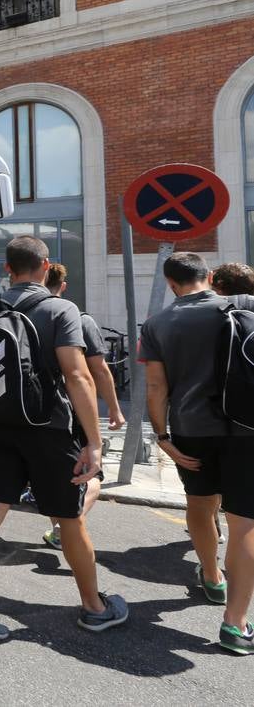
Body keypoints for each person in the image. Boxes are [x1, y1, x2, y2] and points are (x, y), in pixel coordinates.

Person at [0, 235, 126, 642]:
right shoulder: (60, 308)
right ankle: (94, 607)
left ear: (6, 269)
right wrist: (94, 440)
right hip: (49, 429)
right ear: (46, 267)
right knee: (69, 519)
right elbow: (77, 374)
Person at [141, 253, 254, 655]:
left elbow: (156, 388)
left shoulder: (156, 325)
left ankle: (212, 577)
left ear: (171, 284)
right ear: (209, 276)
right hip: (246, 428)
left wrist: (162, 436)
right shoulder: (243, 305)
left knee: (200, 504)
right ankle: (235, 624)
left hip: (190, 429)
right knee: (244, 525)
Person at [38, 262, 125, 550]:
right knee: (90, 473)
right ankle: (66, 526)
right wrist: (113, 408)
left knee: (52, 479)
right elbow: (99, 371)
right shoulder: (77, 318)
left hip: (36, 411)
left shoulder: (26, 313)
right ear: (62, 286)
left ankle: (58, 528)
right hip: (74, 412)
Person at [207, 262, 254, 545]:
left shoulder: (213, 313)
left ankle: (214, 532)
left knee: (214, 481)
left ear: (217, 284)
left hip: (221, 414)